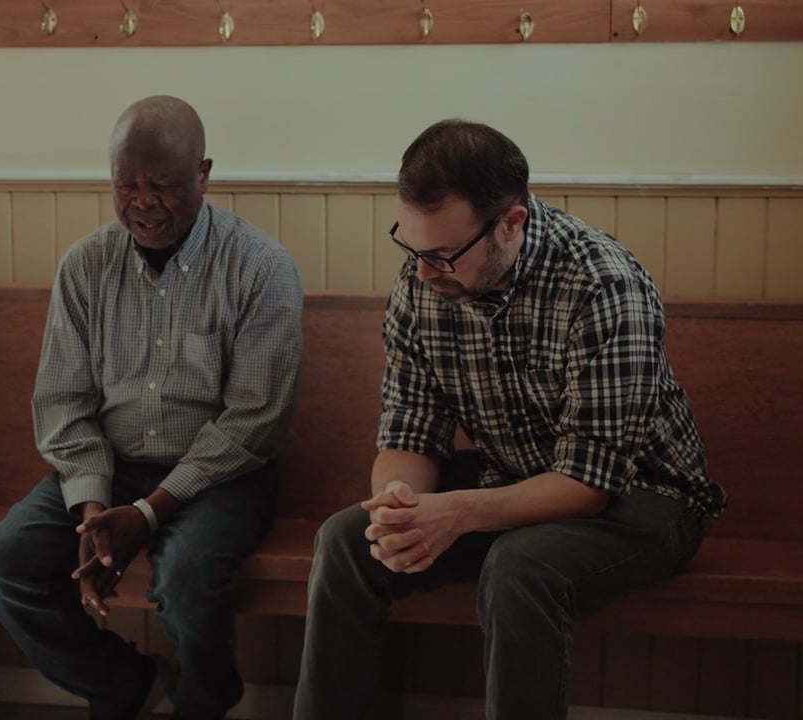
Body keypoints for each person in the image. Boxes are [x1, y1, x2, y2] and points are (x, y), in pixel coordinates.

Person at [293, 119, 727, 720]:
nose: (422, 272)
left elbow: (589, 483)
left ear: (510, 223)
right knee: (348, 539)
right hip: (513, 481)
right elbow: (408, 432)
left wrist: (456, 513)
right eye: (411, 249)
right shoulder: (424, 284)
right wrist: (401, 508)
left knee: (520, 567)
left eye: (442, 255)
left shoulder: (604, 284)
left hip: (644, 499)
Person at [0, 95, 303, 720]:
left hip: (222, 478)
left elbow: (255, 421)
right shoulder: (85, 265)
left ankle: (201, 705)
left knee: (186, 582)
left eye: (163, 185)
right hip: (110, 466)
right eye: (127, 185)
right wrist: (96, 510)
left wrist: (148, 515)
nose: (143, 202)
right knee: (2, 567)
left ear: (203, 174)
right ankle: (124, 683)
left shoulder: (260, 268)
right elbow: (64, 403)